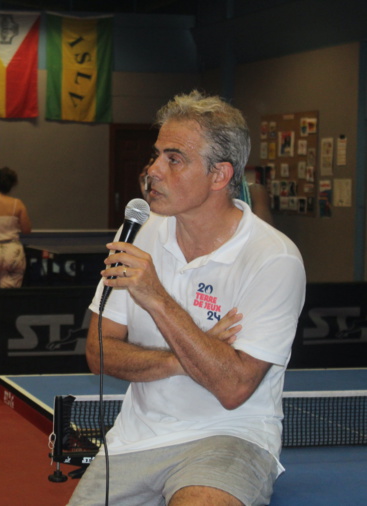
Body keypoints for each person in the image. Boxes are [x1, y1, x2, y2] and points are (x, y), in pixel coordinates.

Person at [68, 90, 306, 506]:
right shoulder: (139, 234)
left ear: (219, 175)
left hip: (229, 438)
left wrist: (156, 297)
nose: (153, 170)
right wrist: (192, 355)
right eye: (156, 155)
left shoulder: (274, 258)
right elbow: (99, 353)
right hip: (134, 439)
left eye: (174, 159)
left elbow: (232, 387)